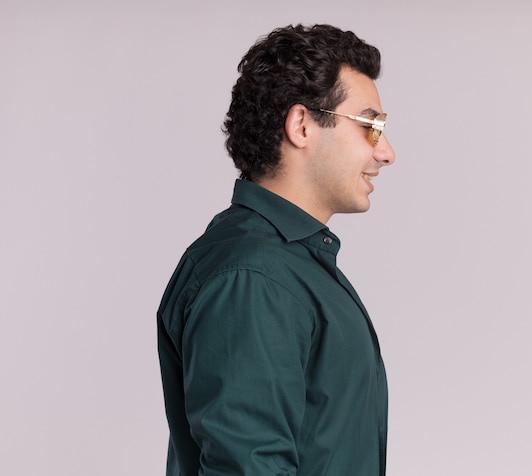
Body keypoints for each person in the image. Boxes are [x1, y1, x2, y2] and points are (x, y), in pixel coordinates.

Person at [157, 23, 396, 475]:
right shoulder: (252, 277)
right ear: (302, 125)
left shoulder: (284, 265)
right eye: (370, 126)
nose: (386, 152)